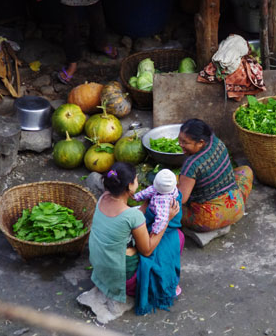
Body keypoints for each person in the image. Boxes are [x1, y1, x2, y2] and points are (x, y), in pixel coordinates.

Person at [88, 163, 182, 314]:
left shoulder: (103, 197)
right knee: (177, 238)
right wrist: (167, 220)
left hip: (100, 267)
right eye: (136, 179)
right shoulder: (132, 216)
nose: (138, 183)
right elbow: (146, 250)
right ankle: (167, 285)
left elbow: (131, 219)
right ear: (130, 185)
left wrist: (146, 203)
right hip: (122, 280)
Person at [177, 119, 254, 232]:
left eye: (185, 143)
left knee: (166, 206)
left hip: (209, 219)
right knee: (245, 171)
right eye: (179, 140)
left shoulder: (192, 165)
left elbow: (181, 198)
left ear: (201, 142)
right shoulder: (215, 141)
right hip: (237, 207)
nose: (180, 145)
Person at [132, 169, 180, 236]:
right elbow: (147, 192)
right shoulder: (171, 189)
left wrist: (155, 231)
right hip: (160, 217)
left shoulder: (163, 202)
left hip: (162, 223)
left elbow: (162, 220)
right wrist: (136, 197)